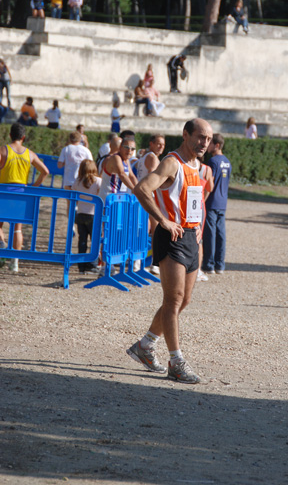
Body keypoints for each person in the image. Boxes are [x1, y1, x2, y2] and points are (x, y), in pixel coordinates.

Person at [126, 118, 213, 384]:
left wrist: (197, 226)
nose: (204, 143)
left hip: (189, 237)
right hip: (171, 235)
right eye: (199, 137)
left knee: (182, 301)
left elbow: (196, 199)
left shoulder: (200, 167)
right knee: (174, 300)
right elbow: (142, 189)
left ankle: (145, 345)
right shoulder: (171, 162)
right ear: (185, 135)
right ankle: (176, 361)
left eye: (208, 139)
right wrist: (163, 220)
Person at [0, 123, 49, 273]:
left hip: (4, 191)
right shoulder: (30, 154)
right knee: (17, 229)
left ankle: (2, 244)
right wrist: (34, 187)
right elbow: (45, 171)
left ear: (10, 135)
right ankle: (15, 261)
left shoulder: (3, 150)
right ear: (23, 137)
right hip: (22, 192)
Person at [135, 134, 166, 275]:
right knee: (154, 230)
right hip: (149, 196)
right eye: (159, 143)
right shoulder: (152, 157)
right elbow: (154, 180)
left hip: (142, 196)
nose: (161, 147)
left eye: (163, 144)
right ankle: (153, 262)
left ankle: (138, 261)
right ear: (151, 144)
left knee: (143, 229)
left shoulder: (145, 156)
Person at [201, 133, 232, 275]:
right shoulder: (227, 161)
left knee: (210, 235)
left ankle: (209, 264)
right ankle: (220, 264)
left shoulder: (213, 161)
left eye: (210, 142)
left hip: (212, 201)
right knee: (221, 235)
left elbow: (209, 183)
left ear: (217, 145)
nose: (207, 145)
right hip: (222, 202)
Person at [72, 160, 102, 275]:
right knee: (95, 241)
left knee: (82, 241)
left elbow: (74, 191)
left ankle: (81, 266)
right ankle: (92, 265)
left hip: (80, 214)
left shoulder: (78, 181)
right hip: (94, 214)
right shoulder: (98, 181)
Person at [57, 131, 93, 216]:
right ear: (80, 139)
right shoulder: (85, 150)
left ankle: (71, 224)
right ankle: (78, 220)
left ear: (70, 139)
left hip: (68, 180)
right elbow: (91, 164)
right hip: (81, 179)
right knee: (80, 202)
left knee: (69, 203)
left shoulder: (66, 149)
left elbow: (59, 165)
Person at [98, 135, 137, 201]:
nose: (129, 151)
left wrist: (139, 188)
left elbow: (132, 176)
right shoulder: (116, 158)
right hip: (109, 198)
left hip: (119, 198)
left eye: (132, 149)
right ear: (120, 147)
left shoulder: (126, 160)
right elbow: (122, 174)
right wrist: (134, 189)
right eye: (127, 147)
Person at [196, 158, 214, 282]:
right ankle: (197, 270)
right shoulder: (206, 169)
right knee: (199, 239)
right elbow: (210, 188)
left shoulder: (182, 165)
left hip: (185, 205)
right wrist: (203, 199)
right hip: (199, 205)